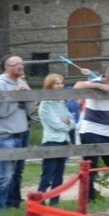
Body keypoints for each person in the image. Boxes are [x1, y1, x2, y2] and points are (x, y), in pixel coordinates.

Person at [0, 54, 34, 212]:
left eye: (22, 63)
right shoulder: (0, 84)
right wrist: (14, 96)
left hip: (21, 133)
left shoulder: (21, 81)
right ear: (7, 68)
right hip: (5, 135)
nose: (21, 66)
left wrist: (26, 97)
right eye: (16, 64)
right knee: (5, 176)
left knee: (17, 173)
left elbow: (30, 110)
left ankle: (12, 203)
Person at [75, 65, 109, 201]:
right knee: (90, 168)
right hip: (90, 131)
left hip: (106, 134)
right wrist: (100, 87)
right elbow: (77, 86)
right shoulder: (97, 81)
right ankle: (88, 200)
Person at [37, 73, 75, 205]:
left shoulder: (61, 102)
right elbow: (56, 124)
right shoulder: (45, 104)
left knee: (59, 175)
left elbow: (72, 121)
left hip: (64, 141)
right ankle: (39, 200)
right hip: (51, 141)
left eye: (61, 83)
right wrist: (66, 124)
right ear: (50, 86)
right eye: (56, 83)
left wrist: (68, 123)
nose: (60, 86)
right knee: (47, 175)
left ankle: (55, 201)